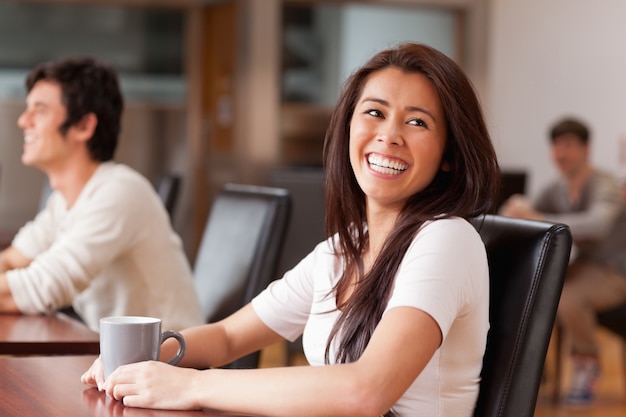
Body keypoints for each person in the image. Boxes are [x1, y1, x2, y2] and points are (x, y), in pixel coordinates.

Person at [82, 43, 500, 417]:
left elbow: (366, 392)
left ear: (449, 155)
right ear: (349, 128)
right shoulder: (343, 250)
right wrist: (141, 358)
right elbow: (228, 337)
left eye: (418, 123)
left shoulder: (446, 239)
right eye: (375, 112)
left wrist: (191, 386)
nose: (389, 136)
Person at [0, 57, 204, 332]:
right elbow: (12, 260)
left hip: (172, 362)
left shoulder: (118, 193)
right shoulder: (64, 201)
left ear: (84, 126)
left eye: (41, 110)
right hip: (119, 360)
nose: (24, 120)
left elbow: (39, 288)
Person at [500, 117, 626, 405]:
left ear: (586, 149)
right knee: (525, 291)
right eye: (556, 146)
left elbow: (597, 225)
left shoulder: (604, 184)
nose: (561, 153)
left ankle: (587, 363)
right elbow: (530, 211)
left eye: (569, 145)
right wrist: (517, 208)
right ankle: (532, 368)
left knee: (564, 297)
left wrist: (538, 217)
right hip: (585, 268)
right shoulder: (557, 187)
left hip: (615, 271)